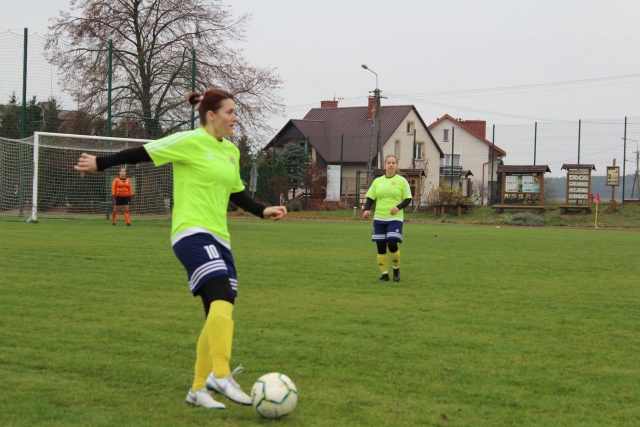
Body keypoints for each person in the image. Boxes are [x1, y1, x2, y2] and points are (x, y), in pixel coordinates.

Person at [74, 88, 287, 410]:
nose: (235, 118)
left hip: (220, 239)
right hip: (191, 233)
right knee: (221, 295)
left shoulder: (231, 152)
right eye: (230, 112)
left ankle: (198, 389)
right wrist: (100, 163)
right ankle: (220, 374)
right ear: (211, 115)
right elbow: (143, 152)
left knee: (219, 310)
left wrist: (262, 210)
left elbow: (236, 192)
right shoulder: (189, 141)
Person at [361, 154, 412, 282]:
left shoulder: (402, 181)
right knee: (381, 247)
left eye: (393, 163)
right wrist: (366, 209)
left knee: (392, 243)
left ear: (397, 165)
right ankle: (384, 275)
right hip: (379, 218)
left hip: (395, 218)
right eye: (388, 162)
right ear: (385, 165)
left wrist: (398, 207)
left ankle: (396, 270)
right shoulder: (377, 181)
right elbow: (370, 198)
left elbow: (408, 199)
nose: (391, 165)